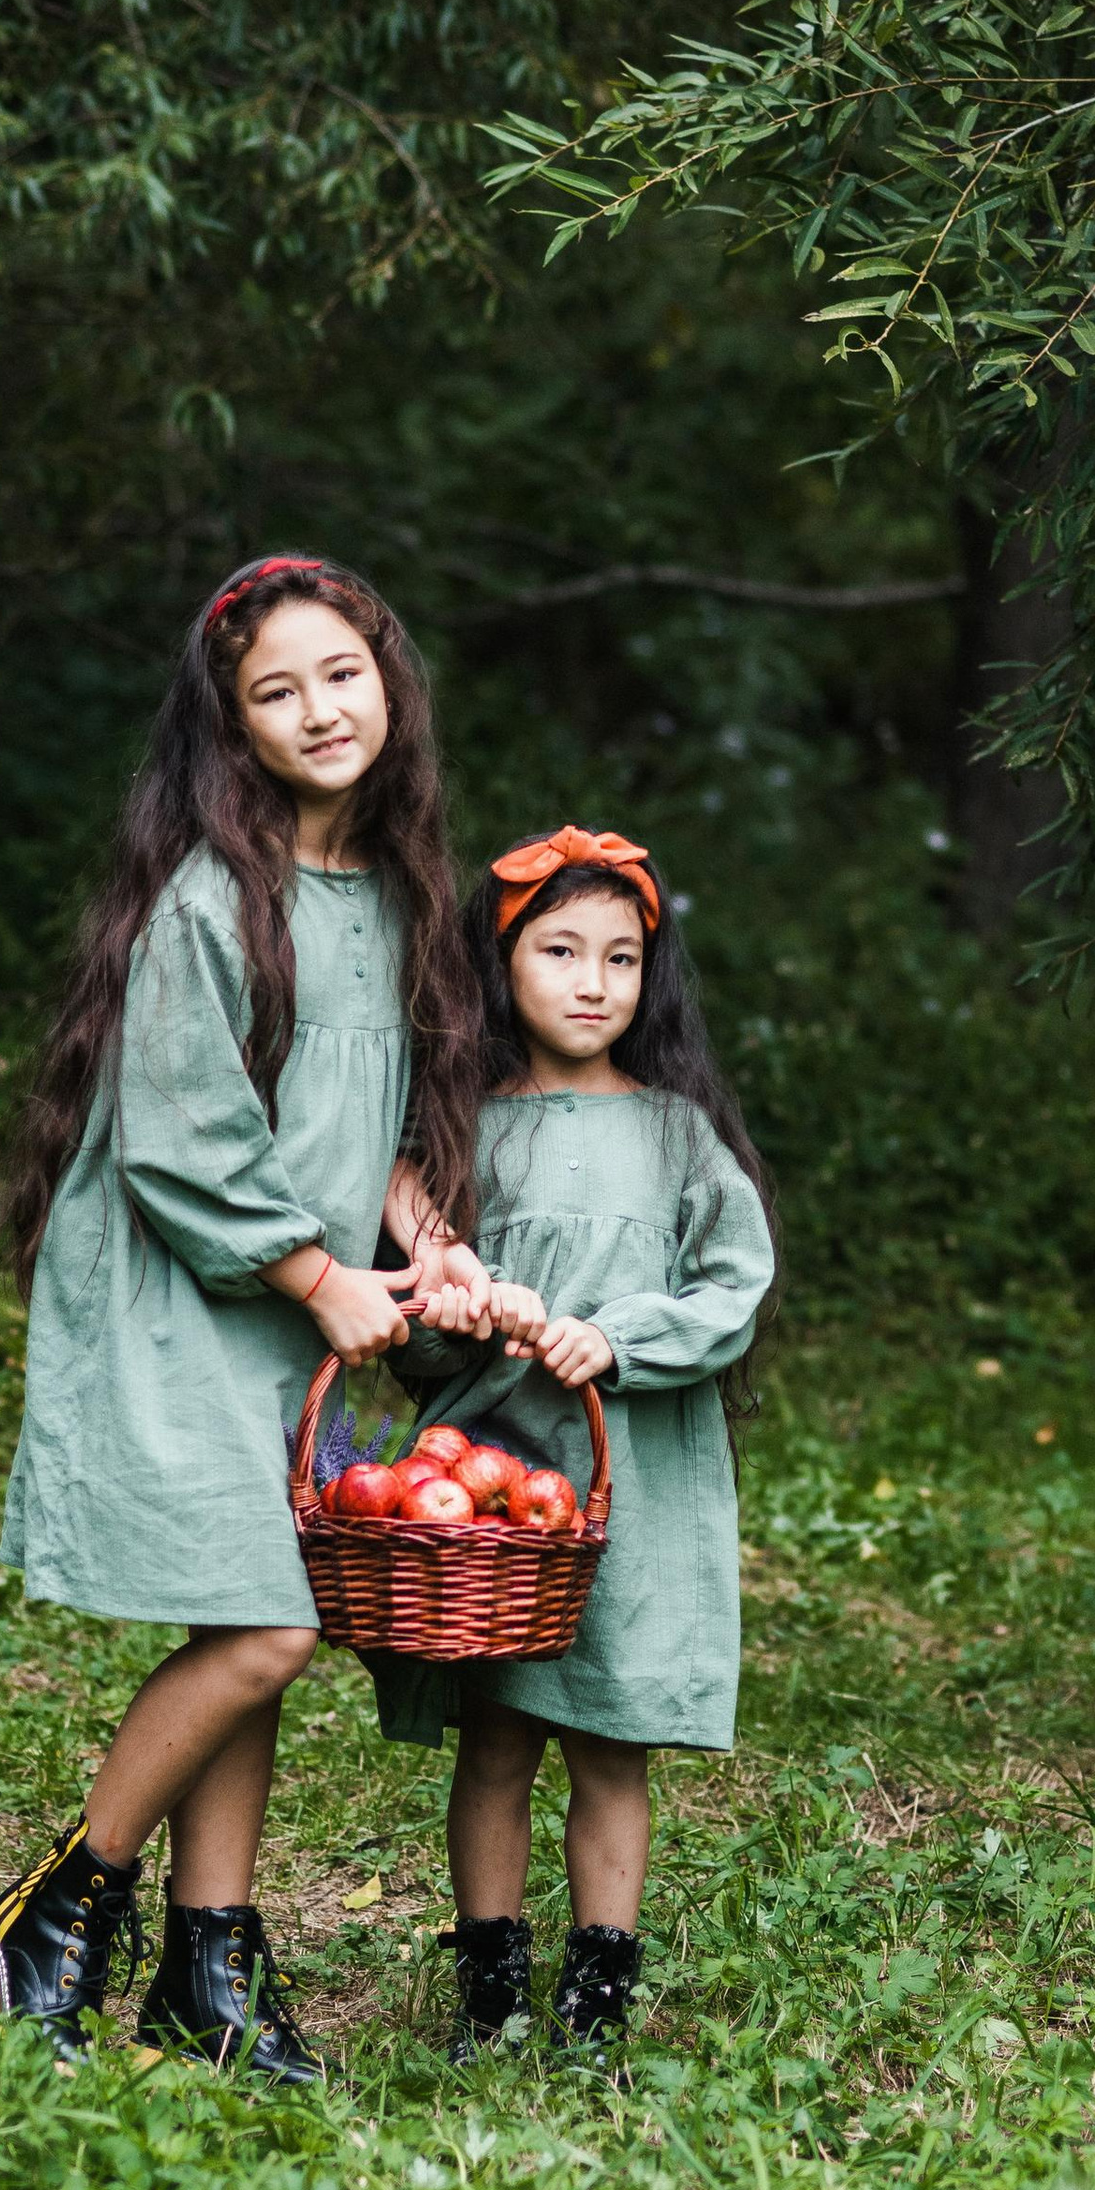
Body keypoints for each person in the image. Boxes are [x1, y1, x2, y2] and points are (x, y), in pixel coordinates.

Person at [0, 552, 503, 2074]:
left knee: (243, 1605)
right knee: (268, 1627)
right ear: (235, 728)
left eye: (342, 671)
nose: (320, 707)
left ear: (390, 675)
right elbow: (184, 1137)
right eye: (278, 691)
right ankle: (64, 1902)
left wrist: (427, 1241)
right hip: (179, 1283)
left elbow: (373, 1115)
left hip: (284, 1300)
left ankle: (209, 1973)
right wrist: (325, 1274)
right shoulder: (218, 892)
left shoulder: (398, 891)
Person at [378, 824, 777, 2066]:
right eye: (559, 950)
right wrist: (448, 1317)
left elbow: (734, 1282)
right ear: (504, 968)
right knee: (497, 1743)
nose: (594, 980)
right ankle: (488, 1989)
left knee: (612, 1743)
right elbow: (423, 1338)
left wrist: (618, 1336)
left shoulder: (677, 1134)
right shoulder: (462, 1138)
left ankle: (595, 2003)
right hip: (497, 1488)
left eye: (621, 955)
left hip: (636, 1485)